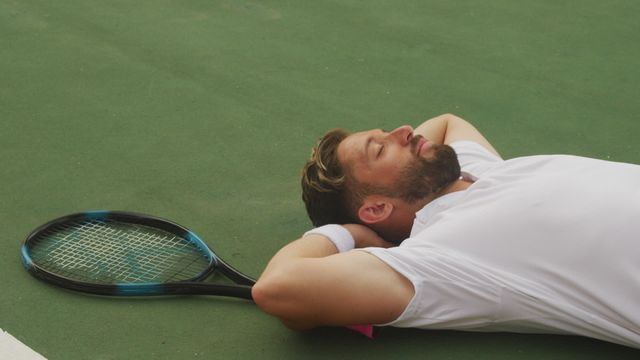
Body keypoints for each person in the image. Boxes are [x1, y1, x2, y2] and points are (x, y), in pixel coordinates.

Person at [251, 113, 640, 349]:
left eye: (386, 131)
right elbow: (279, 288)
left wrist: (393, 194)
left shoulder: (480, 171)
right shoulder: (440, 256)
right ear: (376, 208)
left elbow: (445, 122)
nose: (404, 130)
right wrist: (351, 234)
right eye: (381, 149)